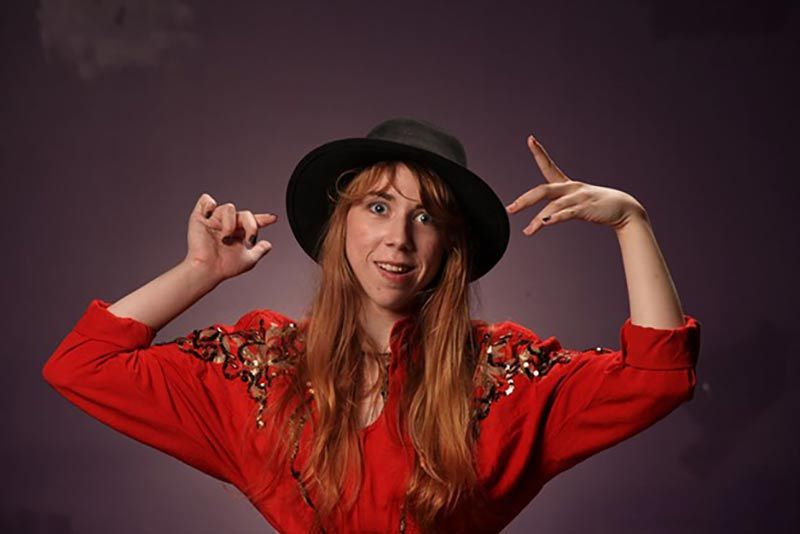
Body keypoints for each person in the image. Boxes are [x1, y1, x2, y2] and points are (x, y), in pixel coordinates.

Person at [42, 117, 701, 534]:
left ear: (451, 245)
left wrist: (630, 222)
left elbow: (658, 378)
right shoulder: (265, 370)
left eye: (426, 217)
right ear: (342, 223)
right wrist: (199, 271)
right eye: (379, 207)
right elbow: (82, 365)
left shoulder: (501, 378)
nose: (398, 238)